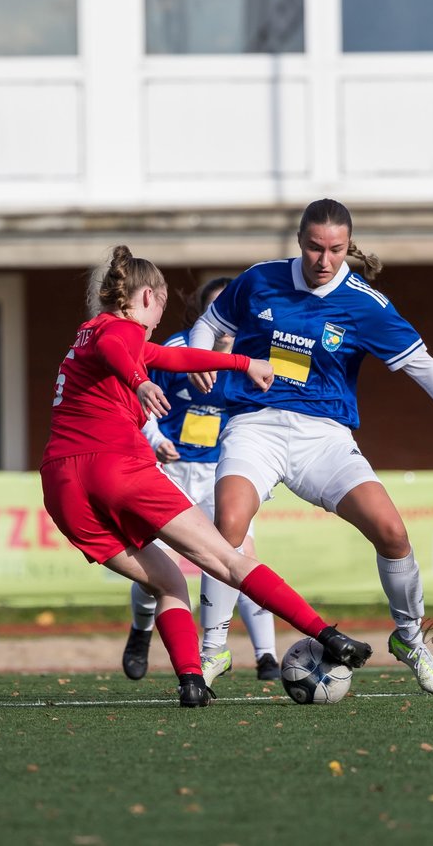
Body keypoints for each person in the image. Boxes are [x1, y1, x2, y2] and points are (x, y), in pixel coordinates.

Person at [187, 199, 433, 696]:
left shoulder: (365, 304)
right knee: (227, 525)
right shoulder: (258, 279)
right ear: (300, 242)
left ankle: (411, 640)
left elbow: (421, 364)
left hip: (325, 438)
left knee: (392, 532)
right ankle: (213, 651)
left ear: (347, 248)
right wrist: (200, 356)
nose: (324, 260)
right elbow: (210, 322)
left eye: (336, 250)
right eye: (315, 247)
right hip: (256, 425)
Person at [40, 244, 372, 707]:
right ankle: (329, 636)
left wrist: (241, 362)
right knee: (230, 561)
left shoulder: (89, 332)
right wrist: (141, 383)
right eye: (158, 308)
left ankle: (192, 681)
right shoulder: (120, 330)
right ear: (149, 298)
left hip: (62, 486)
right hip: (116, 465)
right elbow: (124, 347)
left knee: (167, 582)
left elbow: (173, 359)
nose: (157, 322)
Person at [122, 278, 280, 685]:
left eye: (233, 317)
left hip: (217, 472)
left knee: (239, 555)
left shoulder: (250, 358)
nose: (225, 328)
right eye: (217, 315)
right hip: (169, 470)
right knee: (154, 563)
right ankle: (140, 632)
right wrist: (155, 438)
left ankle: (266, 656)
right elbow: (139, 395)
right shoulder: (175, 349)